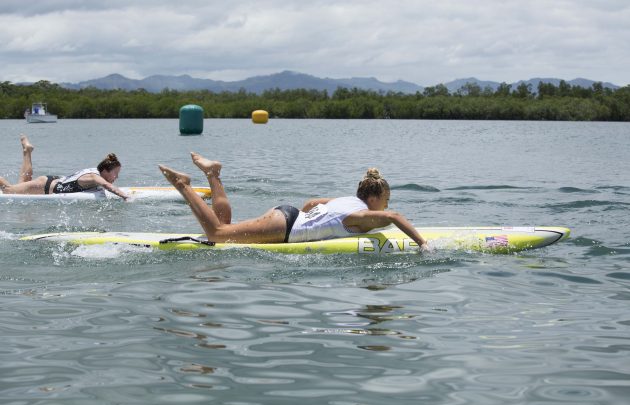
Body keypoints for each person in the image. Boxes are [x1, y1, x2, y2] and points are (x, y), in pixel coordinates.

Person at [158, 152, 429, 250]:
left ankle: (212, 174)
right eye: (386, 199)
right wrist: (423, 244)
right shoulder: (362, 216)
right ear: (373, 198)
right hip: (286, 228)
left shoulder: (346, 201)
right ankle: (183, 185)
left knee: (224, 225)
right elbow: (394, 217)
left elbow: (312, 203)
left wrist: (311, 221)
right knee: (217, 234)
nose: (386, 205)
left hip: (288, 216)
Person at [0, 134, 129, 200]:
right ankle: (26, 151)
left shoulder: (95, 172)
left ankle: (27, 151)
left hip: (51, 181)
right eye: (115, 173)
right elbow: (108, 186)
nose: (116, 177)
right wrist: (125, 196)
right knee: (7, 190)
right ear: (105, 171)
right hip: (45, 186)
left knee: (23, 183)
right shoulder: (94, 177)